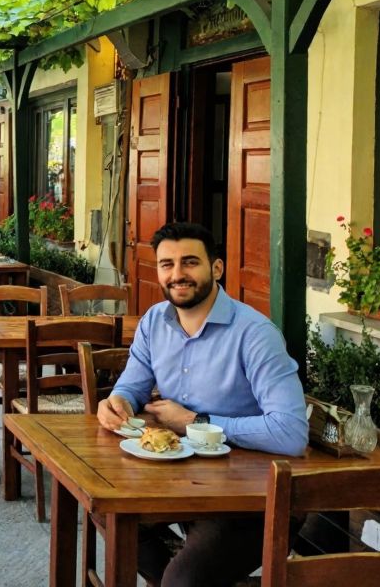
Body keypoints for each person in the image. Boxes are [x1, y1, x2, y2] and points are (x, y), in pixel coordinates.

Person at [95, 221, 308, 586]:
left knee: (183, 581)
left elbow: (291, 433)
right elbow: (133, 384)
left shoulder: (255, 335)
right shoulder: (153, 323)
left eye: (190, 262)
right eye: (167, 264)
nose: (178, 274)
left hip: (252, 500)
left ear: (217, 267)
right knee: (105, 508)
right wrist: (116, 401)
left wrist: (198, 421)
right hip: (181, 484)